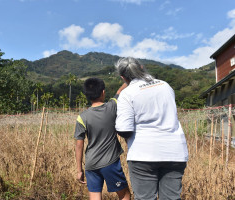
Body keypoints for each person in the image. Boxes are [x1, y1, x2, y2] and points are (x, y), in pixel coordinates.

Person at [115, 57, 188, 200]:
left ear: (123, 77)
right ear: (141, 68)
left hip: (143, 154)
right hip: (175, 152)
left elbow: (124, 129)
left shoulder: (127, 93)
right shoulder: (165, 85)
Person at [74, 77, 131, 200]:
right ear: (103, 92)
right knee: (125, 195)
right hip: (110, 163)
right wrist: (129, 79)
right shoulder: (111, 107)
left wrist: (79, 170)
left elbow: (79, 145)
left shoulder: (82, 117)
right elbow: (120, 92)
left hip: (90, 165)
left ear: (87, 95)